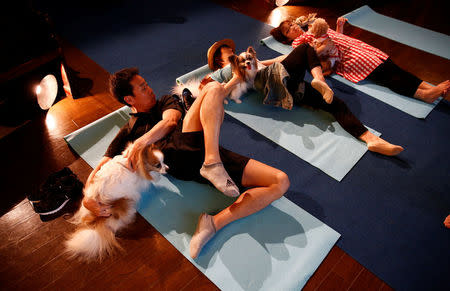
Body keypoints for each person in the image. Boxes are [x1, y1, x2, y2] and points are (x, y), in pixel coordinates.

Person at [83, 67, 290, 259]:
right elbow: (102, 165)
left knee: (281, 181)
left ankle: (213, 223)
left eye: (147, 84)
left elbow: (171, 122)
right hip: (178, 159)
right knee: (214, 87)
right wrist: (87, 199)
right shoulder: (128, 129)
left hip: (198, 145)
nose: (150, 89)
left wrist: (141, 141)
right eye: (143, 88)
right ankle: (212, 164)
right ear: (129, 99)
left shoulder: (165, 101)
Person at [204, 38, 404, 157]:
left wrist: (305, 58)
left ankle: (370, 139)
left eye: (231, 50)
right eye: (227, 51)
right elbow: (209, 87)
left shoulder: (248, 60)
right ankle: (320, 80)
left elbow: (275, 60)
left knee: (334, 103)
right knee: (305, 48)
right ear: (218, 60)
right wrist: (234, 79)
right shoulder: (223, 71)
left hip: (287, 85)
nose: (231, 51)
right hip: (271, 81)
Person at [270, 17, 450, 103]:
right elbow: (317, 54)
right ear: (287, 38)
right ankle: (423, 95)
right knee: (385, 75)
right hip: (349, 57)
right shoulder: (300, 42)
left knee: (390, 66)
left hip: (356, 46)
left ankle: (428, 87)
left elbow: (336, 38)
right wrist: (322, 46)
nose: (293, 27)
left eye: (292, 24)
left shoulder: (313, 27)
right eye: (288, 29)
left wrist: (339, 26)